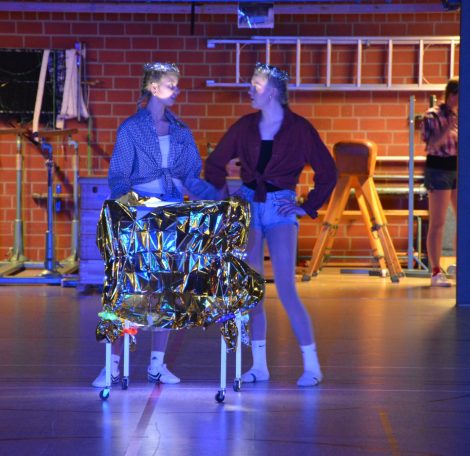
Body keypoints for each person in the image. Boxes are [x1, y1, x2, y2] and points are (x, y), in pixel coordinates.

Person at [204, 63, 337, 387]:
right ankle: (259, 366)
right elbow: (215, 163)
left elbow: (328, 171)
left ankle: (312, 366)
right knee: (254, 291)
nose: (250, 90)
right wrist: (225, 198)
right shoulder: (244, 126)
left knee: (287, 289)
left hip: (280, 207)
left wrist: (307, 206)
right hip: (249, 205)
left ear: (273, 91)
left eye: (256, 85)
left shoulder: (299, 129)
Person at [92, 62, 216, 387]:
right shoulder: (131, 129)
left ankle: (157, 365)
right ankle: (112, 365)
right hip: (139, 212)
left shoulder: (181, 130)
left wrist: (211, 195)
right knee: (129, 288)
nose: (176, 90)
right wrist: (131, 207)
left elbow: (191, 174)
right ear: (153, 87)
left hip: (171, 211)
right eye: (170, 84)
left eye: (177, 84)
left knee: (168, 289)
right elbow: (119, 176)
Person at [421, 77, 459, 287]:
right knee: (438, 221)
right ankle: (436, 271)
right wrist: (447, 128)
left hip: (458, 167)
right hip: (438, 168)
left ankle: (462, 265)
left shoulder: (461, 115)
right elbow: (431, 145)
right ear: (452, 95)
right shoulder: (432, 115)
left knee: (464, 221)